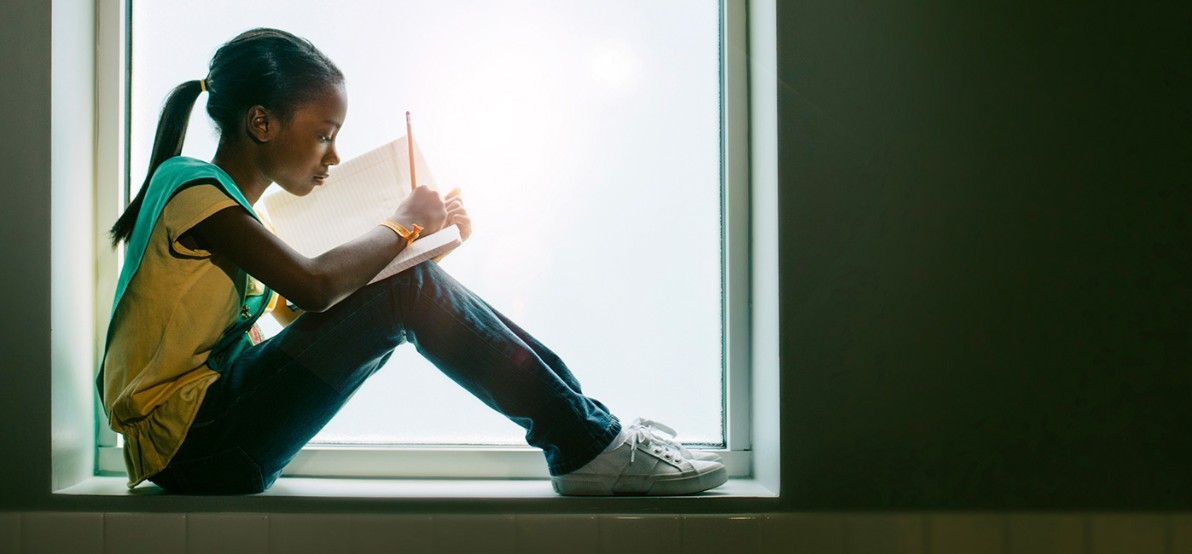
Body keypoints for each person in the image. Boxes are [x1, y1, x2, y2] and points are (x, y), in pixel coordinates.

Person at [97, 27, 727, 496]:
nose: (332, 156)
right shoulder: (189, 182)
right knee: (408, 288)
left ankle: (592, 436)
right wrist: (404, 227)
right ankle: (592, 446)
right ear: (260, 122)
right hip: (198, 441)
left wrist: (422, 247)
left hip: (214, 440)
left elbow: (312, 324)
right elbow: (316, 289)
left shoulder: (232, 216)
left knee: (409, 285)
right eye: (323, 133)